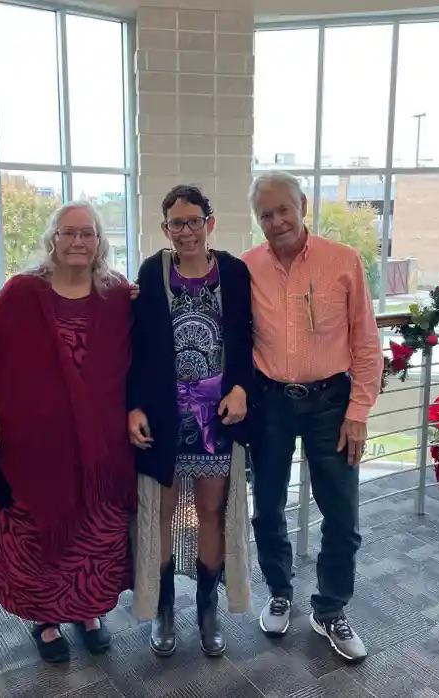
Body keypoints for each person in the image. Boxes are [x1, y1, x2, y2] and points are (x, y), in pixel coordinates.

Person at [0, 201, 136, 664]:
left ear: (100, 243)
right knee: (41, 538)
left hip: (101, 452)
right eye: (69, 233)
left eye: (88, 233)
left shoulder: (118, 295)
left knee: (94, 537)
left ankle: (88, 611)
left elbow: (144, 356)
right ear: (53, 240)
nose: (78, 241)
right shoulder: (21, 293)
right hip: (33, 450)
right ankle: (47, 620)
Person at [243, 172, 382, 663]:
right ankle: (280, 591)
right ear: (257, 219)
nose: (276, 221)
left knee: (342, 514)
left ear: (302, 205)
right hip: (270, 402)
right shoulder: (247, 268)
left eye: (283, 209)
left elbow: (366, 342)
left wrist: (358, 411)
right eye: (265, 214)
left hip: (332, 402)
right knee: (268, 509)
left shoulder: (342, 261)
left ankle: (330, 609)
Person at [129, 184, 253, 658]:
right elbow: (137, 349)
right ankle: (163, 611)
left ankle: (207, 610)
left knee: (210, 515)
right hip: (164, 418)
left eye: (194, 221)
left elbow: (247, 339)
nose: (186, 231)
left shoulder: (236, 273)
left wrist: (241, 386)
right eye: (176, 223)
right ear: (165, 229)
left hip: (216, 418)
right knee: (159, 517)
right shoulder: (151, 272)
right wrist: (134, 405)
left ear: (210, 222)